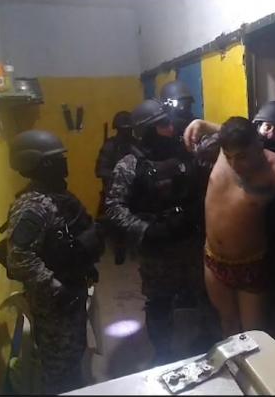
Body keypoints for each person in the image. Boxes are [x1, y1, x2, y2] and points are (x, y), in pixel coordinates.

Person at [102, 98, 208, 365]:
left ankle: (206, 342)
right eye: (162, 124)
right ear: (147, 130)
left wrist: (192, 215)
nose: (170, 128)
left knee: (203, 294)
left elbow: (203, 188)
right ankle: (163, 353)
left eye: (168, 122)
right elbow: (114, 208)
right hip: (157, 249)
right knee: (159, 302)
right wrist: (147, 230)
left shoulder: (186, 154)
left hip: (190, 241)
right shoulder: (130, 165)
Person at [0, 129, 104, 394]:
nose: (64, 163)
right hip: (54, 303)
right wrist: (56, 288)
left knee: (74, 354)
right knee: (58, 368)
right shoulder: (32, 206)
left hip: (72, 291)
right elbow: (19, 257)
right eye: (57, 159)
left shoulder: (58, 197)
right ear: (39, 164)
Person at [199, 117, 275, 336]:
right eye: (229, 157)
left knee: (254, 335)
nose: (235, 165)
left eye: (242, 157)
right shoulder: (225, 151)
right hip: (212, 259)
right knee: (227, 323)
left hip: (249, 265)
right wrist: (202, 124)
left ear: (258, 144)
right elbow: (226, 132)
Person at [94, 110, 137, 264]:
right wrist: (118, 177)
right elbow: (100, 171)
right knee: (115, 222)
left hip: (135, 190)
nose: (126, 133)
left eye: (128, 129)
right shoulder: (110, 146)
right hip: (115, 190)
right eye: (123, 130)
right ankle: (119, 250)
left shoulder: (136, 144)